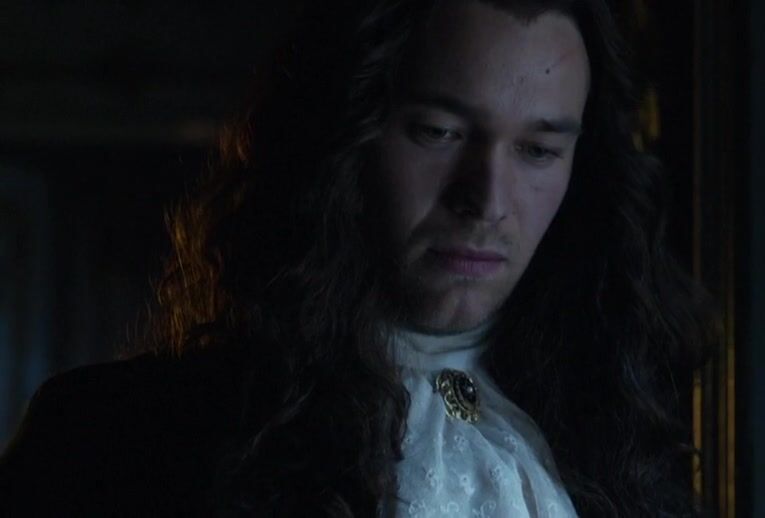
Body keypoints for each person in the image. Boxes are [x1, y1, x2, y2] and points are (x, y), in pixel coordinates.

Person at [0, 0, 714, 516]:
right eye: (438, 132)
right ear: (344, 137)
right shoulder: (114, 435)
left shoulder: (624, 444)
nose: (486, 200)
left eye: (537, 149)